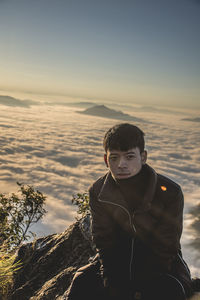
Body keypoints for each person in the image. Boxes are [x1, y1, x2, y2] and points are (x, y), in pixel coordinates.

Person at [67, 123, 194, 300]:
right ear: (106, 160)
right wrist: (112, 282)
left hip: (160, 267)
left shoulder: (170, 192)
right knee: (81, 284)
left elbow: (166, 246)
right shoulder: (98, 191)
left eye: (129, 157)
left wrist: (139, 287)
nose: (121, 165)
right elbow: (104, 241)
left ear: (143, 157)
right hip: (117, 262)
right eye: (114, 158)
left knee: (169, 291)